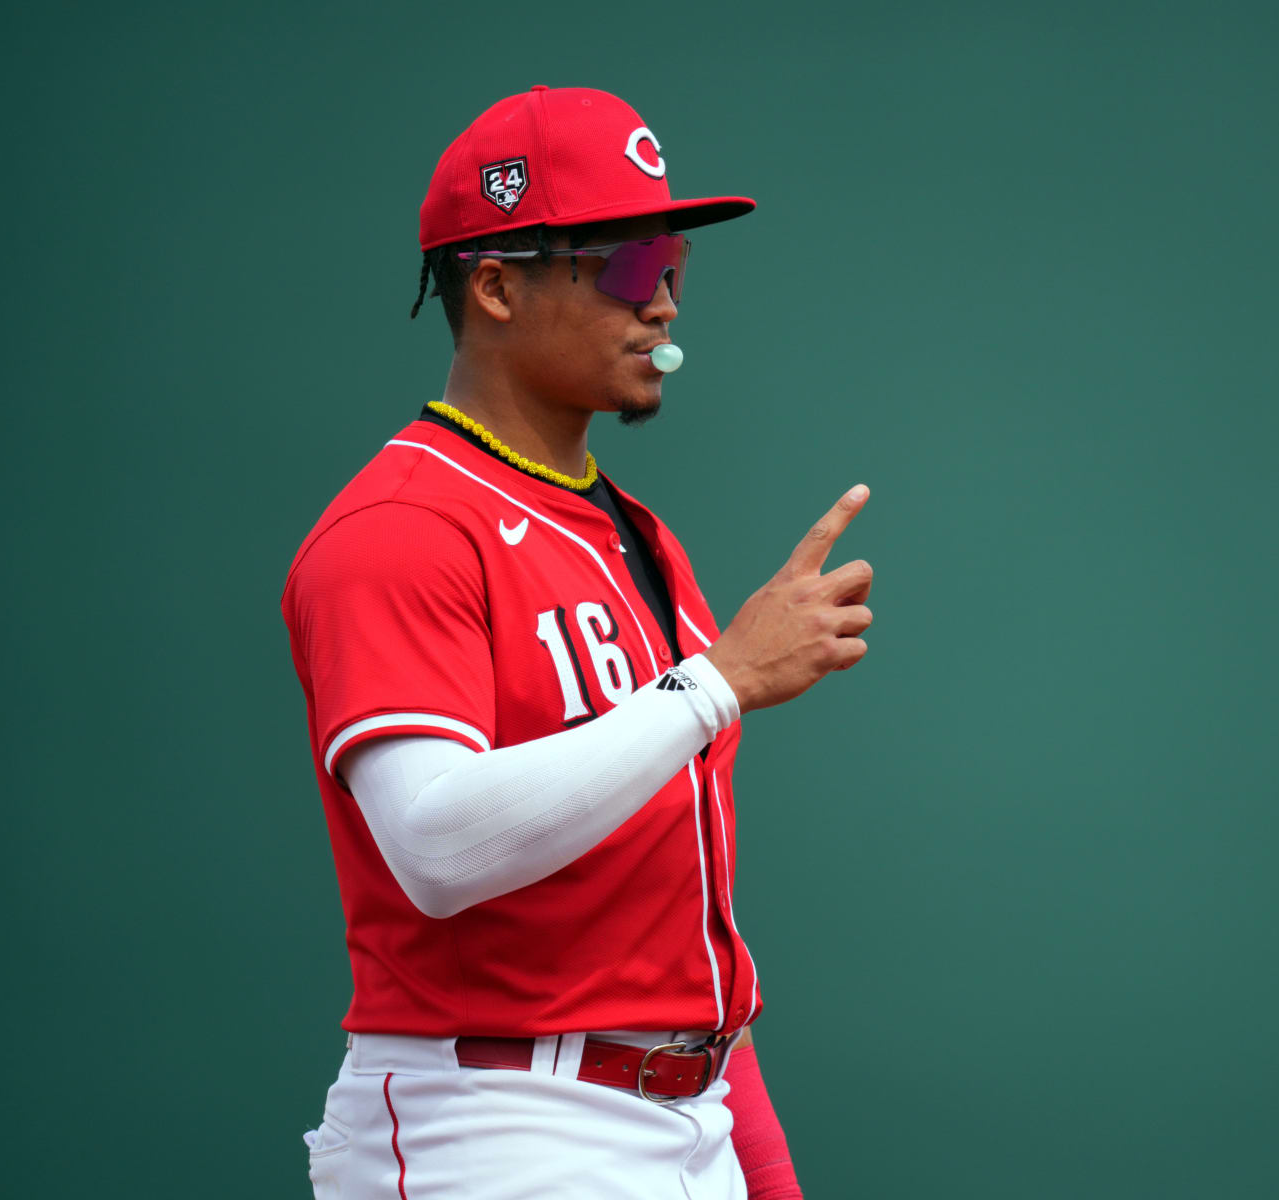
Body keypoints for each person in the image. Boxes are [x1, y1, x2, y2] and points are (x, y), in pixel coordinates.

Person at [280, 84, 872, 1199]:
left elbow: (679, 937)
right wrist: (719, 682)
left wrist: (763, 1169)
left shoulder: (641, 538)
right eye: (627, 266)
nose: (662, 307)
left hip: (685, 1118)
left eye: (673, 268)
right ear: (496, 284)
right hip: (496, 1123)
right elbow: (437, 850)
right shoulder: (401, 527)